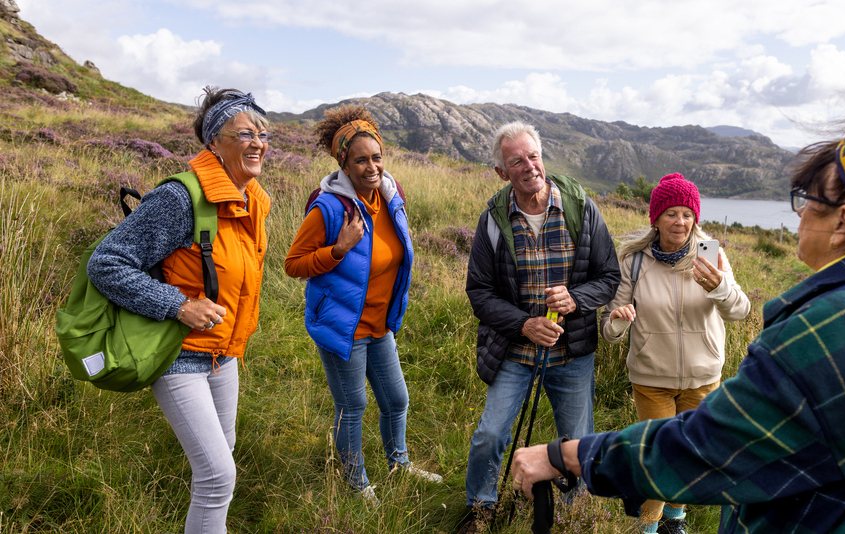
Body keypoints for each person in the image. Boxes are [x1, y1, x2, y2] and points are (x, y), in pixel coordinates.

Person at [510, 75, 845, 533]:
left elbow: (710, 447)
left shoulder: (830, 328)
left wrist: (567, 455)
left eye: (808, 200)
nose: (800, 214)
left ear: (843, 221)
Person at [87, 87, 271, 533]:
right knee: (218, 475)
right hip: (179, 354)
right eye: (245, 134)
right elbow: (106, 262)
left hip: (224, 355)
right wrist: (179, 305)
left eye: (263, 134)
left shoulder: (251, 200)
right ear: (214, 142)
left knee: (221, 463)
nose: (258, 144)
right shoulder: (180, 199)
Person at [460, 121, 620, 526]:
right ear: (502, 172)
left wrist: (576, 299)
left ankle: (573, 514)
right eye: (517, 161)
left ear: (542, 157)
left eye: (533, 156)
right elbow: (479, 291)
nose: (529, 166)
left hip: (571, 352)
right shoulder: (493, 219)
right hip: (514, 350)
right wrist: (524, 325)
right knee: (490, 435)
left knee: (577, 441)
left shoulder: (580, 208)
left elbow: (608, 277)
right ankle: (480, 507)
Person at [284, 104, 441, 506]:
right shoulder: (329, 207)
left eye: (376, 157)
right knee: (352, 406)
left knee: (396, 400)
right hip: (343, 327)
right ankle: (356, 483)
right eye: (360, 160)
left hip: (379, 324)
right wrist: (338, 249)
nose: (371, 167)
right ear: (344, 163)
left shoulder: (392, 197)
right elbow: (293, 264)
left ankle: (399, 464)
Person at [601, 172, 751, 533]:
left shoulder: (712, 255)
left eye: (687, 214)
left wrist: (720, 287)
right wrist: (618, 322)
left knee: (688, 454)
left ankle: (675, 518)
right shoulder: (635, 261)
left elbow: (740, 310)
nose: (680, 222)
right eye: (671, 213)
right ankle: (648, 526)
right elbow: (609, 327)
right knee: (657, 456)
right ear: (656, 218)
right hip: (651, 377)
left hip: (702, 377)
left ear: (695, 218)